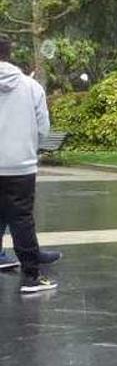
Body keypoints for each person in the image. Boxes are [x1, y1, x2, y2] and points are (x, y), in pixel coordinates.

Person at [0, 35, 57, 293]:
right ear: (10, 53)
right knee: (22, 219)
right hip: (21, 166)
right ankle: (32, 276)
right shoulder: (31, 87)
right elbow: (44, 129)